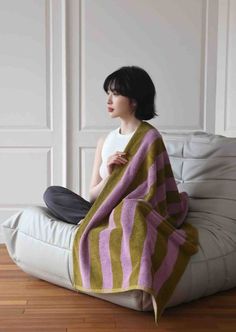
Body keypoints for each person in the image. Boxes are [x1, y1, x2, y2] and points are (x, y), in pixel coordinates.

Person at [43, 65, 158, 225]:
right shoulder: (105, 141)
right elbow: (92, 197)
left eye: (116, 94)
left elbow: (154, 193)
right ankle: (97, 223)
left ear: (134, 100)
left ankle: (95, 224)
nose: (108, 100)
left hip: (131, 212)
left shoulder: (149, 138)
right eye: (108, 93)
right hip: (102, 209)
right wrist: (110, 177)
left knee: (131, 209)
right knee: (52, 194)